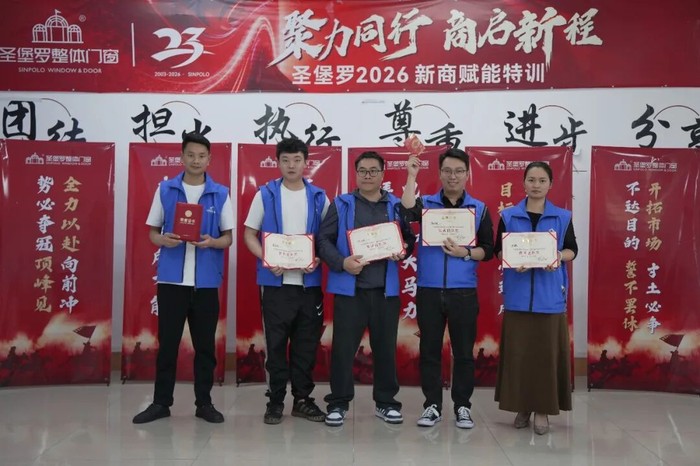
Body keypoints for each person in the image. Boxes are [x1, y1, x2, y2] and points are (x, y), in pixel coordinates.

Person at [133, 132, 233, 424]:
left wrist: (211, 242)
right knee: (168, 345)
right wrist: (164, 240)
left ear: (209, 159)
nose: (196, 160)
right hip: (171, 282)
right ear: (181, 157)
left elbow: (228, 239)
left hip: (205, 283)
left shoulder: (220, 193)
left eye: (201, 156)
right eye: (190, 155)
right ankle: (161, 403)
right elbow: (152, 232)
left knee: (205, 347)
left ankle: (204, 403)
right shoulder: (166, 189)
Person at [317, 151, 416, 427]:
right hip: (351, 291)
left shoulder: (396, 205)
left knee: (385, 349)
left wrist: (403, 250)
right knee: (343, 349)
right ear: (356, 173)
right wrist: (342, 263)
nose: (368, 175)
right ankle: (338, 403)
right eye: (363, 171)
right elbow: (323, 240)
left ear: (383, 174)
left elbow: (409, 239)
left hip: (385, 291)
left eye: (374, 171)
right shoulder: (342, 204)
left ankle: (386, 403)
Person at [400, 148, 494, 429]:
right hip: (429, 290)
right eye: (448, 171)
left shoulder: (479, 208)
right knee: (429, 351)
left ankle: (462, 406)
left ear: (467, 174)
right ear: (440, 174)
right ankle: (432, 405)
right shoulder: (426, 204)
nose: (453, 176)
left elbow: (488, 250)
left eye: (459, 171)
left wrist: (465, 252)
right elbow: (405, 210)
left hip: (463, 291)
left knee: (463, 352)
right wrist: (411, 175)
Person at [243, 137, 330, 424]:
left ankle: (302, 400)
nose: (291, 165)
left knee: (306, 345)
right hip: (275, 284)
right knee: (276, 344)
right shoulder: (265, 194)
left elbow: (328, 239)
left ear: (306, 163)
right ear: (277, 162)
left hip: (309, 284)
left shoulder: (319, 197)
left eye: (297, 160)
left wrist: (319, 258)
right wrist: (267, 258)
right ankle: (276, 401)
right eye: (285, 160)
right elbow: (249, 235)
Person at [493, 161, 577, 435]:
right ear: (524, 183)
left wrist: (557, 256)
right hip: (517, 297)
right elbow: (498, 250)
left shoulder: (563, 217)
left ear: (550, 184)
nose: (536, 185)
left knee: (545, 357)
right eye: (531, 179)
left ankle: (542, 410)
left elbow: (572, 250)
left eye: (542, 180)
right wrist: (510, 260)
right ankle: (522, 407)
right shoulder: (509, 216)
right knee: (519, 356)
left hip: (549, 297)